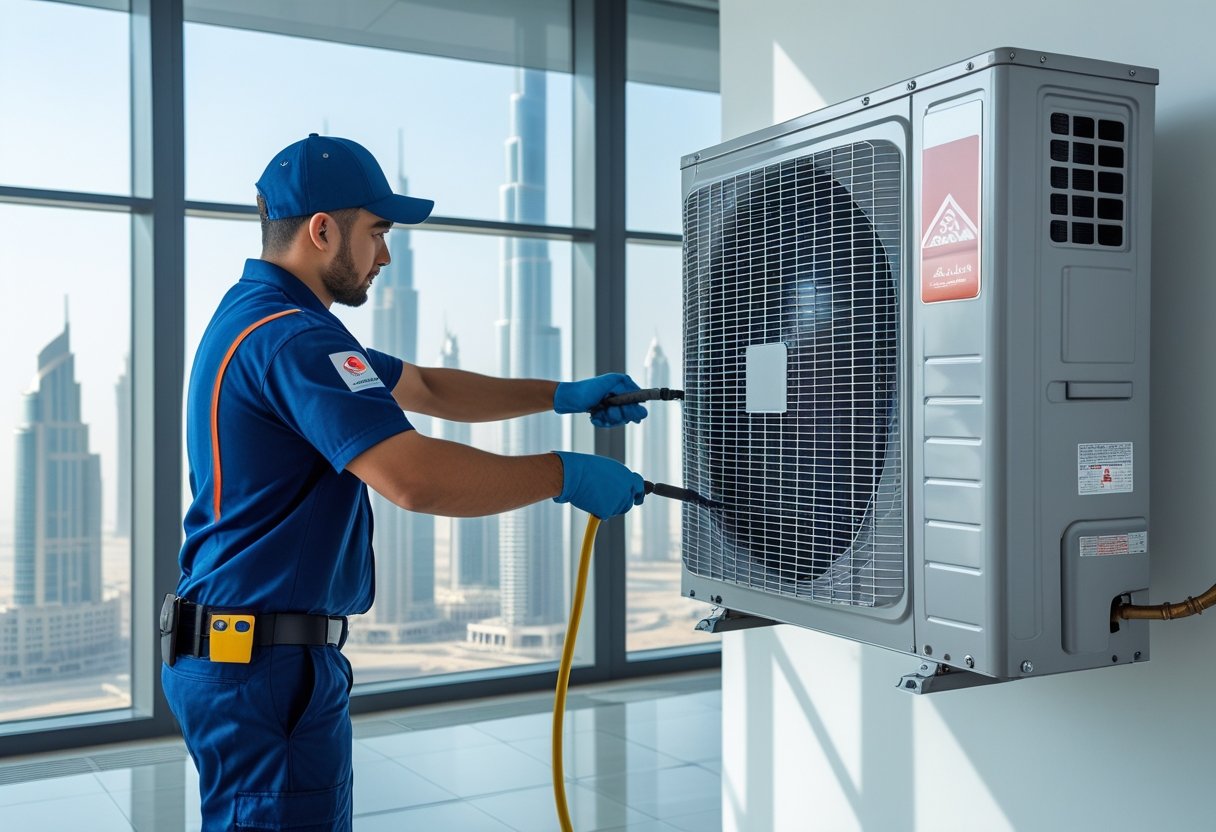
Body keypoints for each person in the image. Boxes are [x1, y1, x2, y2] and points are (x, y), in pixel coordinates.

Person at [160, 133, 649, 832]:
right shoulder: (296, 339)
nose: (385, 255)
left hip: (246, 657)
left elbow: (423, 386)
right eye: (377, 231)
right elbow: (411, 478)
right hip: (264, 669)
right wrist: (562, 475)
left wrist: (564, 394)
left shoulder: (268, 319)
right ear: (323, 230)